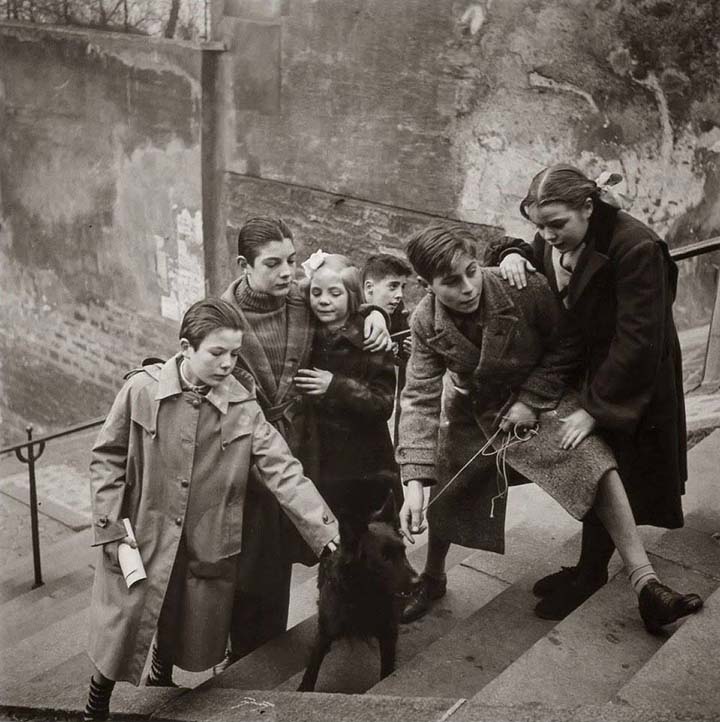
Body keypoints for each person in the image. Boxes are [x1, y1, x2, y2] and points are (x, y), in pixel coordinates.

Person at [396, 223, 702, 633]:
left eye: (471, 271)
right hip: (476, 413)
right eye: (451, 282)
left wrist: (529, 399)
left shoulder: (519, 286)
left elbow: (567, 345)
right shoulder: (423, 321)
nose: (468, 287)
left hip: (540, 401)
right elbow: (419, 396)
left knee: (594, 460)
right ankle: (432, 578)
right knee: (448, 481)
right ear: (426, 285)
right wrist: (414, 479)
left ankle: (647, 584)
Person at [83, 299, 340, 721]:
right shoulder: (141, 390)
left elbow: (282, 469)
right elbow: (107, 457)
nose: (228, 363)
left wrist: (326, 529)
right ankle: (97, 701)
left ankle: (160, 681)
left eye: (235, 353)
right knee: (121, 626)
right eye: (216, 353)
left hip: (203, 538)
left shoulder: (243, 409)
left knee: (181, 616)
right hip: (140, 535)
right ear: (186, 347)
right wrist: (110, 525)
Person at [487, 164, 690, 619]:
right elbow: (533, 257)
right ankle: (589, 567)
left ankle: (591, 573)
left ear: (588, 206)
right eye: (538, 226)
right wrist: (510, 252)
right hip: (591, 365)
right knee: (597, 468)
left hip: (632, 375)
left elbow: (640, 339)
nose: (547, 236)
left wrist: (596, 409)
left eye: (556, 225)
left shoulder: (636, 247)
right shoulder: (560, 236)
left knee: (611, 465)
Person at [220, 217, 390, 661]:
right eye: (273, 263)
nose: (287, 272)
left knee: (279, 556)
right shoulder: (223, 315)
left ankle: (268, 651)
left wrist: (376, 314)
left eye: (292, 261)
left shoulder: (302, 300)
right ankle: (241, 653)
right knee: (248, 557)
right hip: (246, 451)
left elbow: (346, 302)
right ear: (244, 265)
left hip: (302, 449)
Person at [294, 251, 402, 520]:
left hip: (366, 461)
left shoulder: (371, 338)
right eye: (316, 293)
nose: (324, 301)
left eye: (334, 293)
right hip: (322, 460)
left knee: (374, 543)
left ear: (351, 295)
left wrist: (335, 386)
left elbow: (383, 404)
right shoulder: (308, 336)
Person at [362, 252, 414, 446]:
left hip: (377, 408)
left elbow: (398, 350)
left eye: (402, 287)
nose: (399, 294)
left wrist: (407, 354)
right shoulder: (348, 308)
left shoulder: (398, 311)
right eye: (393, 286)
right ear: (369, 288)